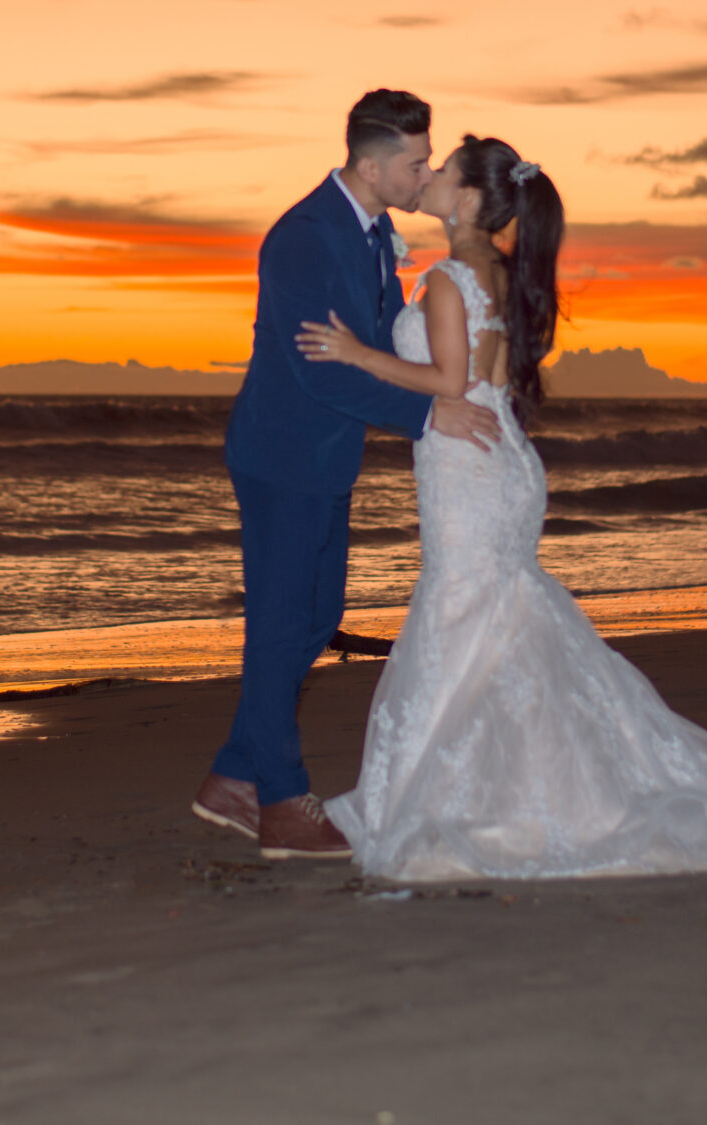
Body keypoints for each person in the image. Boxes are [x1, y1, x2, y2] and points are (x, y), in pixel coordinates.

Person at [296, 134, 707, 879]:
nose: (432, 175)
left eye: (445, 169)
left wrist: (355, 353)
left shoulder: (451, 278)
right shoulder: (495, 271)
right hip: (500, 461)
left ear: (470, 199)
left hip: (469, 468)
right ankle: (516, 791)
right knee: (496, 623)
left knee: (463, 617)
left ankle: (452, 798)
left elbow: (449, 381)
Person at [194, 90, 502, 861]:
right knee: (280, 624)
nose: (424, 173)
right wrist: (429, 414)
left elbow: (373, 346)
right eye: (415, 162)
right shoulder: (304, 237)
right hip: (281, 457)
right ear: (370, 165)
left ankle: (233, 773)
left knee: (315, 615)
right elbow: (320, 371)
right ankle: (280, 801)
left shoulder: (371, 233)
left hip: (326, 458)